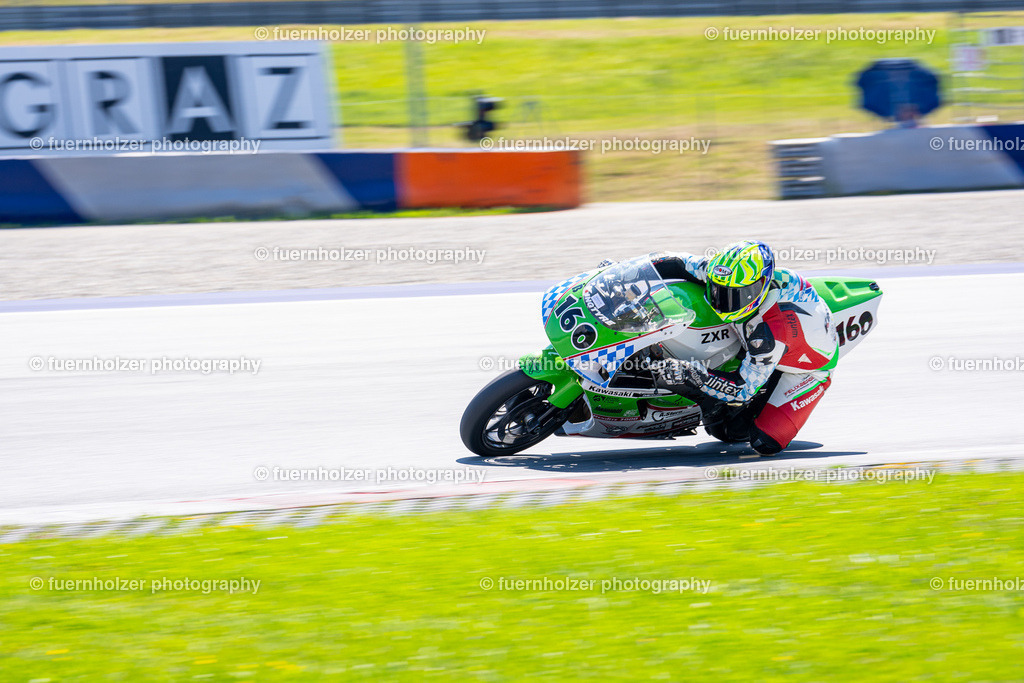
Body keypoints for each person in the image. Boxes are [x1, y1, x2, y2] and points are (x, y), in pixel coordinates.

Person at [650, 240, 838, 455]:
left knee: (754, 440)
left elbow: (742, 389)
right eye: (718, 291)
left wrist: (695, 375)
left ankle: (771, 385)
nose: (724, 302)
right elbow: (675, 262)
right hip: (773, 333)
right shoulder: (724, 273)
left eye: (735, 295)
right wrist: (618, 272)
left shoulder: (770, 332)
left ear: (761, 286)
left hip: (806, 369)